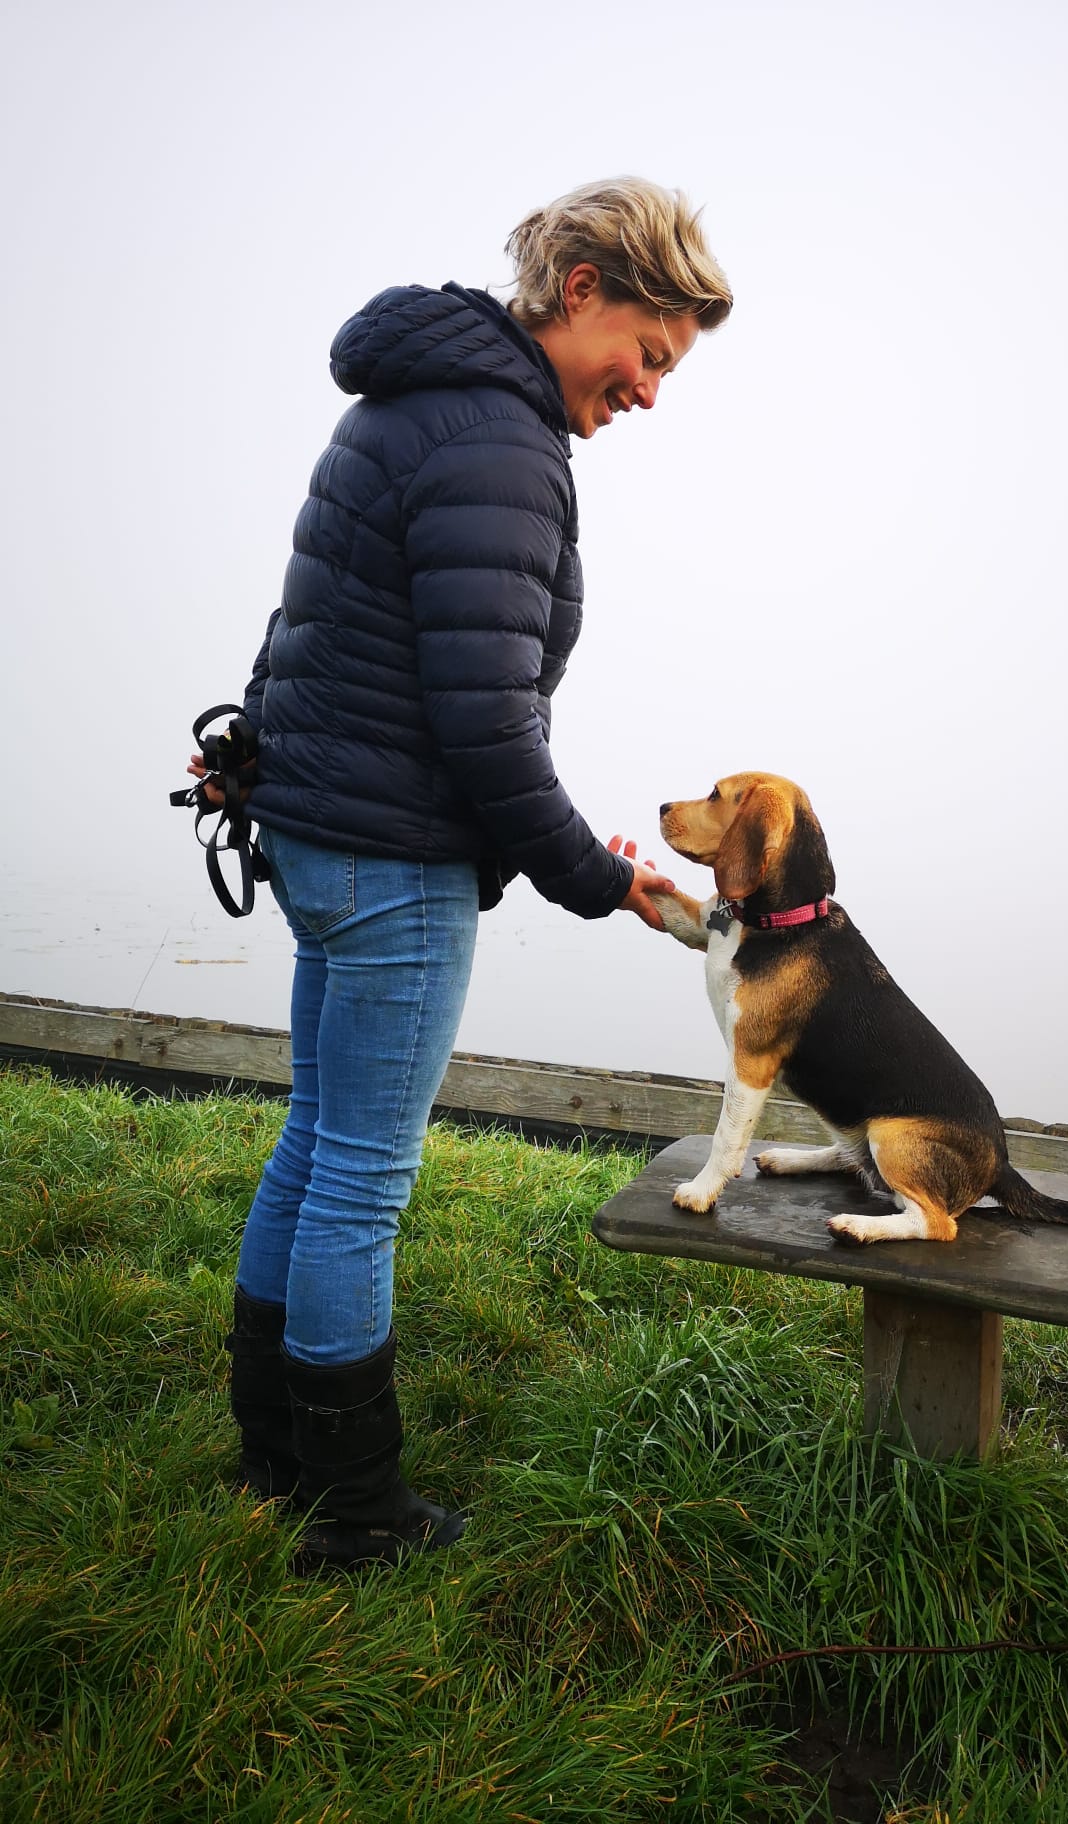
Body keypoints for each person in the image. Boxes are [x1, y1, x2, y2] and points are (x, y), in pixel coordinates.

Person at [195, 178, 732, 1569]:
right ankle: (356, 1515)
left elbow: (307, 622)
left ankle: (272, 1456)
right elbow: (484, 717)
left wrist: (273, 767)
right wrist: (590, 875)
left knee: (315, 1144)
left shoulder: (410, 399)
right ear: (582, 292)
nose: (653, 393)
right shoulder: (498, 440)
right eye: (651, 354)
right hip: (391, 861)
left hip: (325, 830)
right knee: (362, 1176)